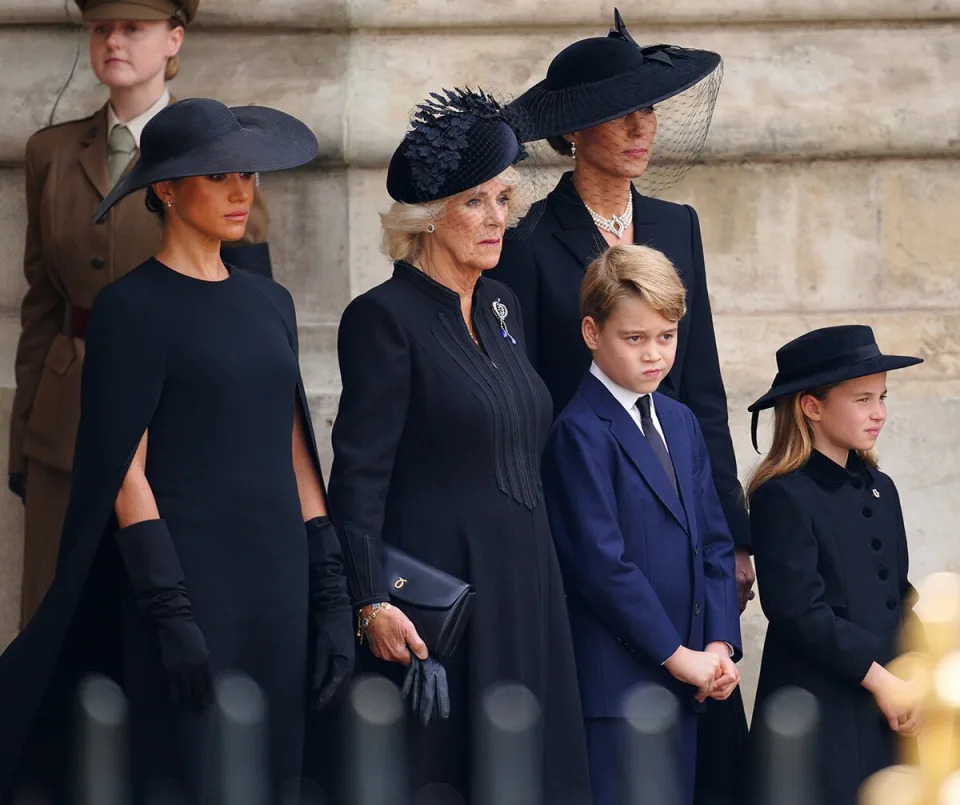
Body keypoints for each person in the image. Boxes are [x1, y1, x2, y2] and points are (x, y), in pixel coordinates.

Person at [0, 98, 353, 805]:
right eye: (218, 175)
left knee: (275, 763)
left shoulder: (270, 302)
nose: (240, 191)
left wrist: (332, 588)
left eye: (247, 174)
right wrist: (170, 608)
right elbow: (124, 472)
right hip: (191, 581)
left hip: (278, 579)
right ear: (165, 188)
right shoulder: (131, 309)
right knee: (190, 770)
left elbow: (295, 452)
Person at [487, 15, 753, 800]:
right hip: (595, 519)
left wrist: (734, 535)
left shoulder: (677, 225)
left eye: (649, 108)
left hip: (687, 503)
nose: (643, 127)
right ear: (572, 131)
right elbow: (530, 397)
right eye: (621, 111)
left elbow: (701, 388)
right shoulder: (534, 240)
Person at [326, 87, 591, 803]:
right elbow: (358, 477)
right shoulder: (381, 319)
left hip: (529, 583)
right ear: (429, 214)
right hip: (447, 600)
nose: (497, 218)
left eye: (504, 199)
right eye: (476, 201)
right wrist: (370, 600)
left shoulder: (503, 304)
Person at [10, 0, 273, 631]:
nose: (114, 42)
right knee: (57, 613)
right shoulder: (51, 151)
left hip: (175, 424)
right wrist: (23, 439)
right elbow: (40, 306)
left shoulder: (219, 154)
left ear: (174, 38)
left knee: (157, 615)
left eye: (133, 27)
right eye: (102, 28)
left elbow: (252, 317)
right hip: (67, 418)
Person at [541, 244, 741, 805]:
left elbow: (714, 540)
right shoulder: (578, 431)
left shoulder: (679, 420)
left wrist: (720, 645)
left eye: (666, 336)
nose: (654, 354)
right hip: (620, 688)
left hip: (696, 678)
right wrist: (680, 658)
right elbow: (602, 567)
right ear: (591, 332)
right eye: (635, 339)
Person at [747, 325, 923, 805]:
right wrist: (883, 681)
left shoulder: (879, 487)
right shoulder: (782, 494)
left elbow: (898, 592)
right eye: (863, 399)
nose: (879, 412)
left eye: (883, 397)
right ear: (811, 406)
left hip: (886, 705)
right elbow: (798, 609)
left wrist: (918, 673)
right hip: (819, 712)